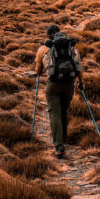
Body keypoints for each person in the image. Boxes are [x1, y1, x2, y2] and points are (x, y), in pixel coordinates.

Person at [35, 24, 84, 157]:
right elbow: (78, 66)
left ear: (47, 35)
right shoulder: (70, 46)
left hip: (53, 85)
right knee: (63, 110)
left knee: (54, 113)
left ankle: (59, 145)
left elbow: (38, 71)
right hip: (69, 84)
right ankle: (64, 137)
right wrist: (81, 82)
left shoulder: (43, 48)